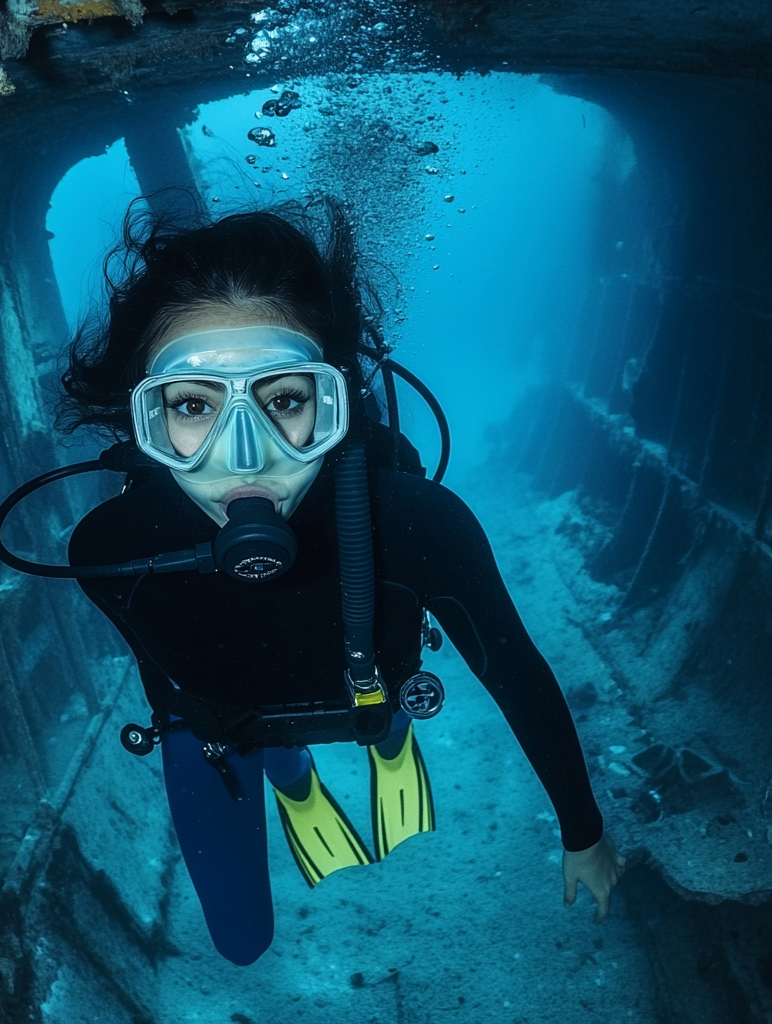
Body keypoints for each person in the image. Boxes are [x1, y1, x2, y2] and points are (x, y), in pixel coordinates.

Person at [59, 197, 625, 966]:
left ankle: (386, 740)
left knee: (374, 697)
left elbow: (515, 672)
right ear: (145, 424)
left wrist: (583, 831)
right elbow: (166, 677)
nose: (245, 459)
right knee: (241, 943)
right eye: (191, 407)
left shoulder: (420, 525)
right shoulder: (108, 550)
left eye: (285, 400)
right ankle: (293, 775)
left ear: (336, 406)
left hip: (369, 692)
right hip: (227, 725)